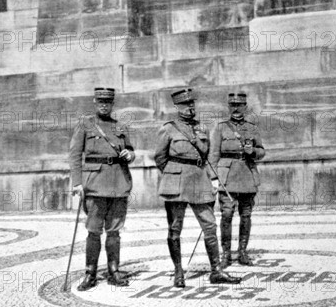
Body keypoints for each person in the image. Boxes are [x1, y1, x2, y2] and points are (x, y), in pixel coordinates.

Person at [155, 88, 241, 288]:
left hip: (199, 181)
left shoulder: (201, 128)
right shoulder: (168, 128)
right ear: (177, 107)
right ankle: (178, 272)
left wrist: (209, 177)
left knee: (210, 226)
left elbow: (207, 154)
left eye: (192, 104)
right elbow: (160, 158)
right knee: (175, 229)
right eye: (185, 105)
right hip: (175, 184)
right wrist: (173, 174)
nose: (189, 107)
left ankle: (216, 271)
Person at [69, 87, 135, 291]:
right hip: (95, 185)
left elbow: (130, 150)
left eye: (108, 102)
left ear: (112, 104)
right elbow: (74, 154)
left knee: (114, 232)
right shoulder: (85, 124)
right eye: (100, 102)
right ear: (95, 102)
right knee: (94, 231)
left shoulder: (120, 125)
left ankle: (114, 270)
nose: (104, 105)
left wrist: (129, 155)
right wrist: (77, 183)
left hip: (118, 184)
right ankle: (90, 273)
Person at [210, 92, 265, 268]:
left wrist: (253, 152)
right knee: (226, 214)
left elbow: (262, 151)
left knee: (246, 215)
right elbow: (213, 155)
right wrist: (213, 178)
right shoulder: (221, 128)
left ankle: (242, 251)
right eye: (232, 106)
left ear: (245, 107)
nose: (236, 109)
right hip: (227, 178)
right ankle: (226, 253)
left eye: (239, 105)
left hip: (247, 175)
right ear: (229, 108)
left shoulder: (252, 128)